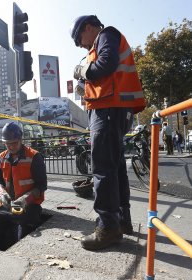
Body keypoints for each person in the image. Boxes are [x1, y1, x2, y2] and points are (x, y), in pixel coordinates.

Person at [70, 15, 146, 250]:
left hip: (108, 110)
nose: (81, 45)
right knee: (115, 169)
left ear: (89, 27)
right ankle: (121, 221)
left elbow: (106, 65)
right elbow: (106, 73)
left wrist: (82, 71)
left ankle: (108, 227)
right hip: (113, 110)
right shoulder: (105, 40)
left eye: (79, 39)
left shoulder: (106, 35)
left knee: (103, 168)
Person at [0, 122, 47, 250]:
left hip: (28, 207)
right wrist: (2, 194)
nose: (11, 147)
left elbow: (42, 185)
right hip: (5, 206)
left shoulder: (34, 157)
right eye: (7, 143)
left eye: (14, 143)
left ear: (21, 140)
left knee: (23, 239)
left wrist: (25, 199)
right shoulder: (2, 157)